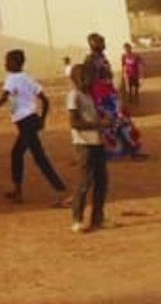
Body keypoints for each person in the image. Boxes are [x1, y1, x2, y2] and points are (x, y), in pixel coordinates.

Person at [0, 49, 67, 205]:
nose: (5, 64)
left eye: (7, 61)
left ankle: (61, 190)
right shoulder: (28, 78)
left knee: (39, 157)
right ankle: (17, 191)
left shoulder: (12, 78)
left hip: (25, 122)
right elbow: (45, 100)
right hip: (31, 120)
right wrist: (42, 119)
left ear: (15, 63)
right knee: (16, 153)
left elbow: (5, 97)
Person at [68, 63, 110, 233]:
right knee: (84, 182)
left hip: (96, 142)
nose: (88, 81)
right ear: (76, 79)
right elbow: (74, 122)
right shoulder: (74, 96)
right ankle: (77, 219)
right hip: (84, 144)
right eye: (84, 78)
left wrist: (102, 117)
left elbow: (92, 115)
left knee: (102, 181)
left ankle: (98, 218)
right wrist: (98, 124)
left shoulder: (89, 96)